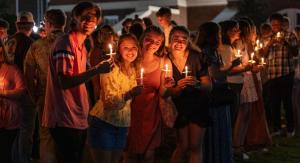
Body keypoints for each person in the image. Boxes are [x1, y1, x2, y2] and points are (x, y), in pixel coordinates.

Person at [42, 2, 113, 163]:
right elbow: (64, 82)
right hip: (64, 116)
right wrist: (96, 70)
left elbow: (83, 76)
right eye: (85, 17)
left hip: (76, 115)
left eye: (93, 18)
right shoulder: (65, 44)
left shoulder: (81, 46)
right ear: (75, 18)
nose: (89, 21)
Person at [88, 34, 143, 163]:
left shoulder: (136, 69)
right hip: (104, 123)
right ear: (118, 49)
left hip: (122, 125)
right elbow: (108, 102)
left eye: (133, 47)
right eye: (126, 47)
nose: (130, 51)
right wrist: (129, 94)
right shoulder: (109, 67)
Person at [24, 9, 67, 163]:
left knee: (47, 139)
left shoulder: (37, 45)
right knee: (67, 143)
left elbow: (28, 74)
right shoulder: (73, 42)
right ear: (64, 23)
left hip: (46, 98)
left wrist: (34, 95)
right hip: (70, 100)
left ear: (48, 23)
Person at [167, 26, 211, 163]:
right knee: (182, 146)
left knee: (195, 146)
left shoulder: (197, 57)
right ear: (169, 41)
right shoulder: (166, 61)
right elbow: (168, 92)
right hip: (179, 108)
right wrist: (178, 87)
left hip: (197, 106)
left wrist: (197, 84)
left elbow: (208, 86)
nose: (180, 42)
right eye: (176, 39)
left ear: (188, 42)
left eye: (184, 39)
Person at [125, 26, 166, 163]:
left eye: (158, 42)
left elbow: (163, 92)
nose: (153, 44)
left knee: (149, 156)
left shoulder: (162, 62)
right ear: (142, 39)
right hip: (130, 113)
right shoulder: (131, 60)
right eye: (149, 40)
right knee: (129, 155)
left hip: (151, 114)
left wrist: (168, 85)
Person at [197, 22, 235, 163]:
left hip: (210, 95)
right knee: (217, 130)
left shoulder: (202, 50)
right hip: (216, 95)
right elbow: (215, 74)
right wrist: (232, 66)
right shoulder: (209, 52)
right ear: (212, 35)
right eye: (218, 34)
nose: (220, 36)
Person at [261, 13, 298, 137]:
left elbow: (295, 52)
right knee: (274, 102)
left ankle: (290, 128)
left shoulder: (290, 35)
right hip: (272, 74)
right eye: (273, 24)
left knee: (287, 102)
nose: (275, 26)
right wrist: (269, 43)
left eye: (277, 24)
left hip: (286, 72)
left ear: (282, 24)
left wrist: (285, 43)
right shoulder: (268, 37)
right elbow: (262, 55)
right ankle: (276, 128)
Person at [0, 39, 26, 163]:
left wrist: (3, 93)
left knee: (5, 151)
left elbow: (21, 90)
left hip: (9, 118)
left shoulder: (12, 69)